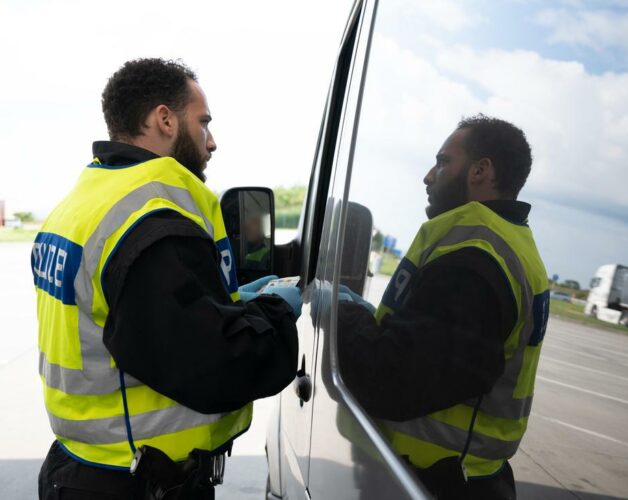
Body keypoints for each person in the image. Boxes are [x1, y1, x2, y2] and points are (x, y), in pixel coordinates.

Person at [32, 58, 301, 499]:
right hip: (135, 483)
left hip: (82, 466)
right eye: (203, 123)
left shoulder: (82, 203)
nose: (211, 142)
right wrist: (278, 309)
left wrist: (235, 301)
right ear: (165, 119)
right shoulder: (152, 215)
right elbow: (215, 363)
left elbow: (138, 320)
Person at [337, 115, 550, 499]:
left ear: (480, 171)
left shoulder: (473, 254)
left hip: (433, 479)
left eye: (442, 162)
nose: (428, 176)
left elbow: (392, 379)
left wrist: (342, 313)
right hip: (465, 475)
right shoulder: (512, 243)